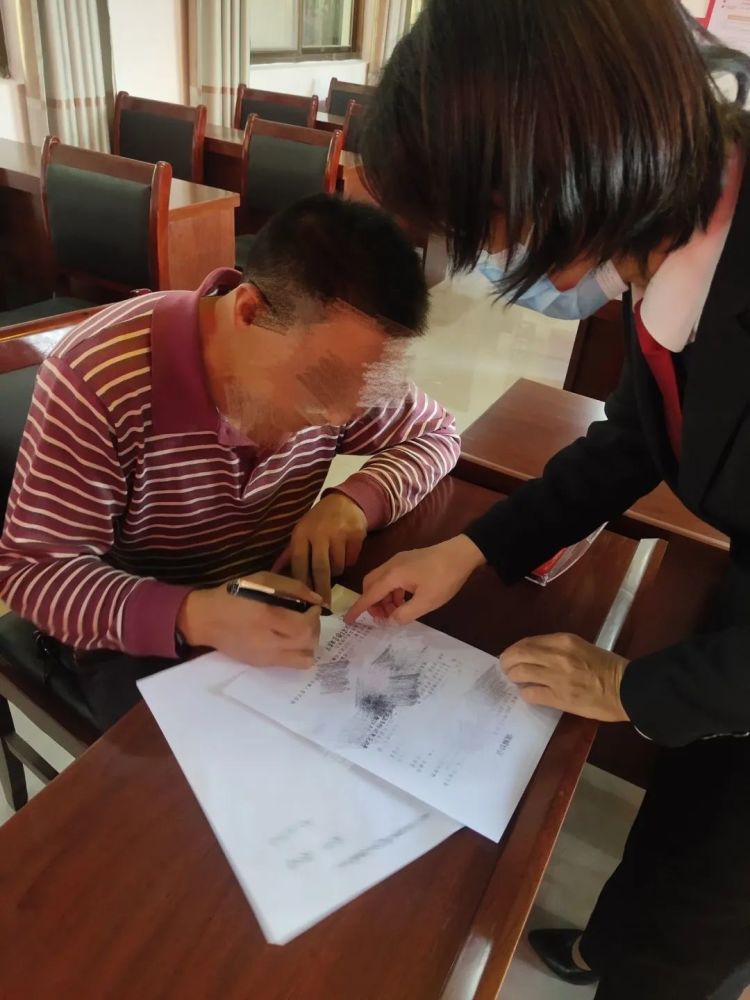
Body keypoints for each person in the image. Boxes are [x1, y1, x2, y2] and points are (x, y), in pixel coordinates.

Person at [347, 2, 750, 998]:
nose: (486, 255)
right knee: (683, 823)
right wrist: (471, 550)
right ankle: (619, 945)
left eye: (479, 223)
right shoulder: (670, 239)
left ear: (562, 169)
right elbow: (634, 437)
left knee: (708, 897)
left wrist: (629, 688)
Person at [0, 194, 459, 730]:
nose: (336, 417)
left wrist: (354, 501)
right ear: (248, 311)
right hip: (134, 630)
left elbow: (438, 434)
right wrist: (194, 614)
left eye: (360, 395)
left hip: (266, 600)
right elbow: (33, 572)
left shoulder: (350, 375)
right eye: (318, 385)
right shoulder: (99, 378)